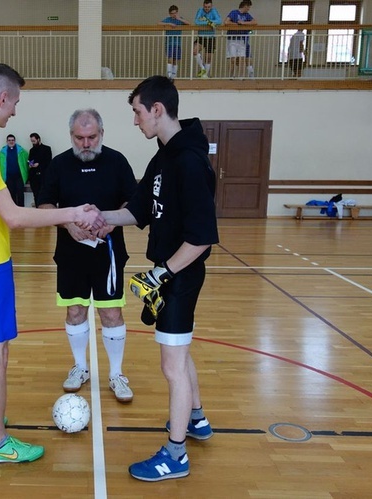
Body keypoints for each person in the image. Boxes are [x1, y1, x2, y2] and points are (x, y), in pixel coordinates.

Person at [0, 63, 104, 464]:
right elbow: (14, 215)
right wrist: (70, 213)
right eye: (14, 102)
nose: (14, 111)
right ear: (1, 98)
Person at [97, 75, 217, 481]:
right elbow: (138, 210)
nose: (135, 121)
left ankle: (176, 454)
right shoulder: (163, 157)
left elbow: (201, 239)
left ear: (157, 110)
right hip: (169, 275)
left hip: (180, 275)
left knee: (172, 365)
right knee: (179, 353)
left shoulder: (189, 161)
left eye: (136, 112)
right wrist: (98, 219)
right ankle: (196, 418)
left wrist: (160, 274)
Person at [38, 109, 138, 403]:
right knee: (75, 310)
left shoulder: (117, 161)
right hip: (70, 253)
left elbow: (134, 200)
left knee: (111, 313)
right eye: (79, 137)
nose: (85, 143)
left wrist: (112, 221)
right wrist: (67, 223)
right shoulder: (58, 165)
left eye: (91, 137)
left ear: (101, 134)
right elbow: (43, 205)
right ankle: (80, 368)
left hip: (108, 252)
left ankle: (117, 374)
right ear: (71, 136)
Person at [224, 1, 257, 78]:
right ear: (245, 6)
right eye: (248, 7)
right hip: (232, 39)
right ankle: (231, 77)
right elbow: (226, 22)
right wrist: (237, 24)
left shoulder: (247, 15)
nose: (249, 9)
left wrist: (244, 23)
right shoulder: (234, 12)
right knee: (233, 59)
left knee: (242, 59)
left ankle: (240, 77)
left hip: (242, 40)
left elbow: (255, 22)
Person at [158, 5, 191, 81]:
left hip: (177, 43)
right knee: (170, 58)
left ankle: (173, 76)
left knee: (175, 60)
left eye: (175, 13)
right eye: (172, 13)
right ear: (170, 14)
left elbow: (189, 23)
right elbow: (158, 23)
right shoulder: (168, 19)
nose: (174, 15)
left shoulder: (179, 19)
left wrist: (179, 19)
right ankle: (169, 76)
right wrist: (168, 24)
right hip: (169, 43)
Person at [0, 134, 29, 207]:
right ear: (7, 141)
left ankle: (21, 210)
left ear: (15, 141)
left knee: (20, 193)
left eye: (12, 140)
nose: (11, 142)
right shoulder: (2, 152)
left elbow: (27, 162)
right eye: (9, 140)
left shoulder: (22, 151)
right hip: (8, 177)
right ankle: (13, 210)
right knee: (11, 194)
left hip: (19, 176)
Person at [193, 1, 222, 78]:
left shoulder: (214, 11)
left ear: (211, 6)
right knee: (195, 51)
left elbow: (219, 21)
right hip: (201, 37)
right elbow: (196, 21)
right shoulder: (200, 10)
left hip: (211, 37)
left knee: (208, 58)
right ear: (203, 6)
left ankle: (205, 75)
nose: (207, 9)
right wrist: (209, 23)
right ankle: (203, 69)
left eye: (209, 7)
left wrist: (206, 20)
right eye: (205, 7)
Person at [27, 132, 52, 207]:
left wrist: (39, 164)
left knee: (43, 194)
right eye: (32, 141)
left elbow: (48, 161)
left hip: (43, 176)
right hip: (34, 176)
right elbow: (30, 160)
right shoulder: (32, 150)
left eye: (34, 141)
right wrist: (30, 164)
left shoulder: (47, 149)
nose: (33, 143)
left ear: (38, 139)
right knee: (35, 194)